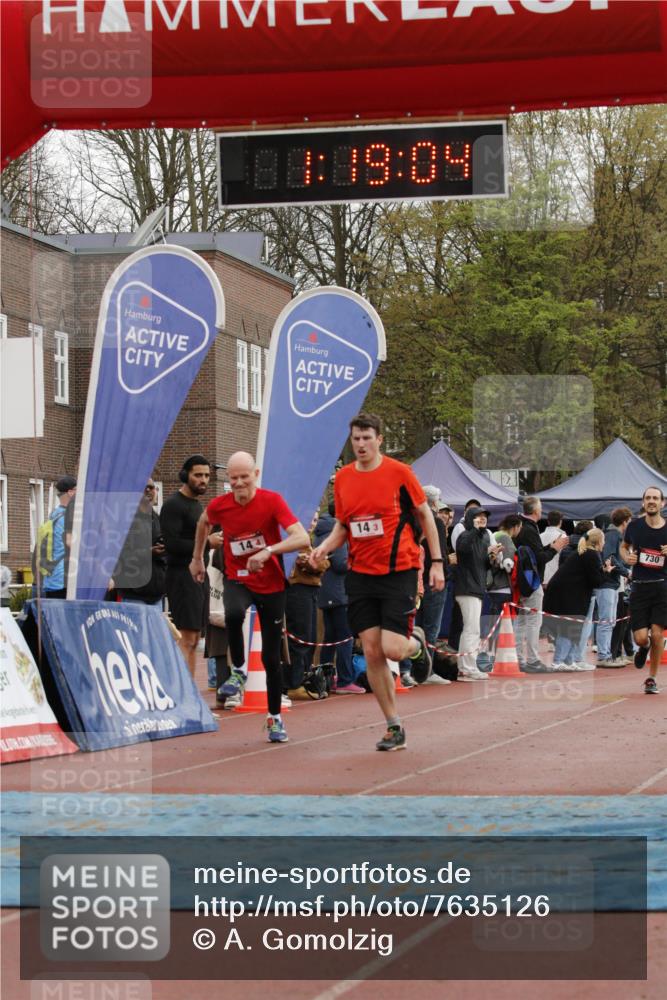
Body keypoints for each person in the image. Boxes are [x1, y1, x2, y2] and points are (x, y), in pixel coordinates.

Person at [309, 413, 443, 752]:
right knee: (371, 650)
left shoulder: (400, 473)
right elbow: (344, 526)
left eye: (367, 438)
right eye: (356, 438)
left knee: (393, 649)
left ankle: (417, 645)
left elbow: (425, 514)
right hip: (361, 574)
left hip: (399, 570)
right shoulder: (343, 478)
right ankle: (393, 725)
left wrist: (437, 563)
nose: (361, 444)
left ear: (379, 439)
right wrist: (323, 548)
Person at [190, 451, 309, 742]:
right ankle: (239, 670)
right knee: (232, 613)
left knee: (271, 657)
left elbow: (302, 538)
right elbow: (203, 522)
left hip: (271, 584)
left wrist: (268, 551)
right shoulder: (220, 505)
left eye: (244, 477)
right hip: (238, 577)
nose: (239, 483)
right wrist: (197, 558)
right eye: (233, 478)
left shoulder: (272, 501)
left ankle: (274, 718)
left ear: (256, 475)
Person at [160, 455, 211, 678]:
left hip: (199, 577)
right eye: (198, 475)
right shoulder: (173, 505)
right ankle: (183, 691)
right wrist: (209, 543)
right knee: (187, 638)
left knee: (195, 638)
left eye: (207, 475)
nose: (203, 480)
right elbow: (172, 544)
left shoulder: (197, 505)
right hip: (182, 577)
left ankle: (189, 691)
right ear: (185, 475)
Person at [544, 528, 613, 670]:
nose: (604, 543)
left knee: (573, 627)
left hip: (567, 593)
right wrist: (606, 572)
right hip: (569, 595)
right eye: (603, 540)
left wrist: (602, 571)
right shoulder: (592, 554)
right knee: (569, 627)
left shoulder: (583, 553)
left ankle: (568, 661)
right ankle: (559, 661)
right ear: (598, 541)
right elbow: (596, 581)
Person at [620, 486, 667, 695]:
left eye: (655, 498)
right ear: (643, 502)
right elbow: (623, 546)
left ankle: (652, 678)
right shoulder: (634, 526)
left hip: (662, 587)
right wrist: (626, 557)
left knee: (657, 634)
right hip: (639, 587)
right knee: (641, 638)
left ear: (662, 503)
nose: (651, 501)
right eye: (648, 498)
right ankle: (643, 647)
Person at [514, 496, 569, 672]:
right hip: (532, 581)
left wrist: (550, 547)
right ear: (536, 510)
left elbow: (535, 554)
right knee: (532, 621)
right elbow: (539, 558)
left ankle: (519, 658)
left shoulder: (522, 526)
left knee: (522, 621)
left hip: (523, 581)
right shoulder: (529, 529)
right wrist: (555, 548)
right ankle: (532, 660)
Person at [313, 503, 363, 694]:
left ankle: (326, 679)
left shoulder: (320, 531)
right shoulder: (337, 533)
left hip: (326, 591)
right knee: (345, 637)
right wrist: (358, 559)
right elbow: (341, 563)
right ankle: (345, 680)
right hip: (339, 592)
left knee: (331, 637)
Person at [454, 506, 501, 681]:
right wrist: (474, 529)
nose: (482, 519)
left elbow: (483, 564)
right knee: (471, 629)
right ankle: (467, 668)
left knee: (471, 629)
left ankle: (466, 667)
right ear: (470, 519)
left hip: (475, 588)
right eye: (478, 516)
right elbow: (463, 549)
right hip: (468, 588)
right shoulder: (465, 535)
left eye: (484, 516)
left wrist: (492, 557)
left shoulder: (482, 538)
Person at [114, 479, 166, 606]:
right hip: (133, 595)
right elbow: (120, 555)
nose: (147, 490)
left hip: (157, 595)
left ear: (156, 491)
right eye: (143, 487)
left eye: (151, 487)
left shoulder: (158, 519)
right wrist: (149, 552)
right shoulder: (124, 520)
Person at [595, 507, 633, 667]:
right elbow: (609, 557)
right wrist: (626, 572)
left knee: (610, 621)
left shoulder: (613, 535)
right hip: (608, 583)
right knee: (607, 621)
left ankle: (608, 655)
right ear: (624, 522)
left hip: (612, 583)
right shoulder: (613, 535)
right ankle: (604, 656)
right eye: (629, 521)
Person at [35, 475, 77, 598]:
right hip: (64, 579)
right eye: (77, 490)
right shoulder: (68, 515)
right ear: (70, 492)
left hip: (51, 577)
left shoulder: (54, 514)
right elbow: (70, 542)